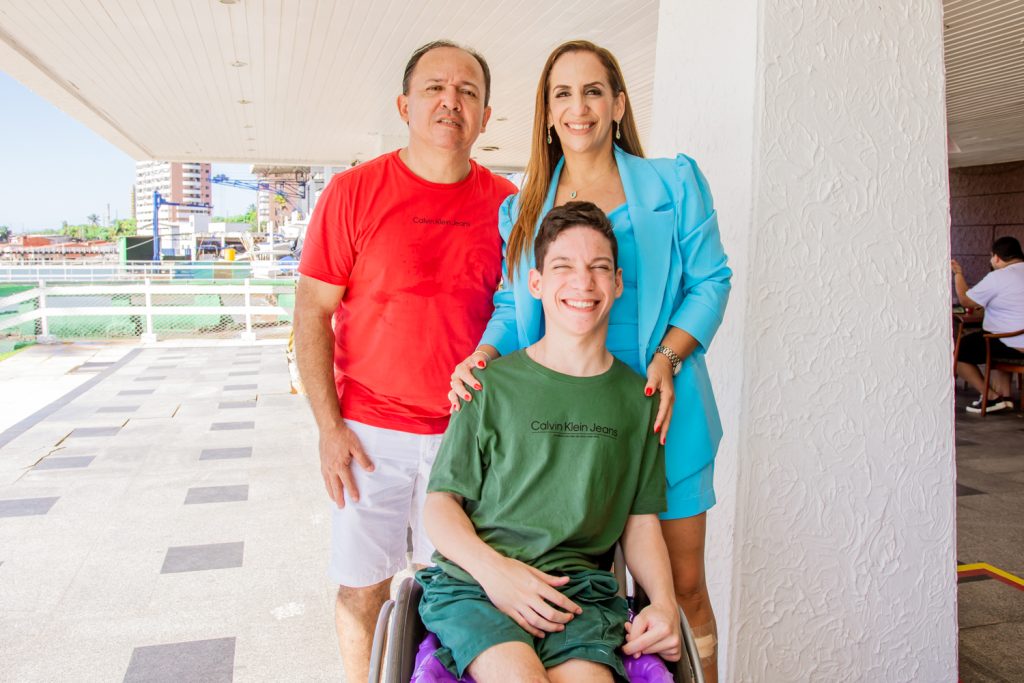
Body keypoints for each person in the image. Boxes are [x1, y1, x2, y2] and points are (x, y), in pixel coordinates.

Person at [447, 40, 731, 681]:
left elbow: (711, 281)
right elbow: (510, 301)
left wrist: (668, 356)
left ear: (618, 103)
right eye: (563, 94)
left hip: (664, 409)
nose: (579, 107)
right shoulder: (520, 211)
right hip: (571, 421)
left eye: (594, 91)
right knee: (582, 591)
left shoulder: (674, 182)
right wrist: (484, 355)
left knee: (682, 589)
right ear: (547, 113)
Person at [293, 40, 516, 682]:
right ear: (405, 105)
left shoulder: (506, 205)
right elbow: (311, 312)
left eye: (468, 92)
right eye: (435, 88)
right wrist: (329, 428)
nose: (451, 101)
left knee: (463, 593)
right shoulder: (353, 192)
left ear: (484, 115)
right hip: (368, 437)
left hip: (468, 438)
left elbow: (523, 321)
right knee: (363, 590)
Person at [420, 202, 681, 682]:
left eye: (598, 268)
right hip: (478, 583)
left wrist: (664, 603)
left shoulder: (638, 399)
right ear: (536, 284)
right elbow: (440, 504)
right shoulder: (488, 385)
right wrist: (496, 573)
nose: (583, 283)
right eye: (563, 267)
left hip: (578, 594)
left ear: (617, 283)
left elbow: (640, 521)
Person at [952, 236, 1024, 413]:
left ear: (997, 257)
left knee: (957, 351)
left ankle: (991, 397)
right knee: (996, 337)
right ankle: (1005, 396)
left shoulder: (1000, 276)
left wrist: (958, 274)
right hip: (1013, 338)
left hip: (1013, 342)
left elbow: (966, 300)